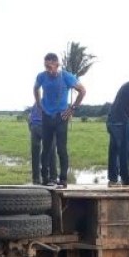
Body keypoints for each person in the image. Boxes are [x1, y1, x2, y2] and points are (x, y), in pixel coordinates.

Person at [33, 53, 86, 188]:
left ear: (57, 64)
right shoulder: (41, 76)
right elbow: (35, 88)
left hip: (61, 117)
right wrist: (39, 104)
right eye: (46, 67)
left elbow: (82, 91)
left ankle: (63, 179)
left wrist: (72, 108)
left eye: (50, 67)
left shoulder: (66, 76)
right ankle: (45, 178)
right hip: (46, 116)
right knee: (46, 149)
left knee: (61, 149)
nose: (48, 70)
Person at [28, 103, 57, 185]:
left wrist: (31, 125)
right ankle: (52, 178)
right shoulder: (50, 101)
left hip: (34, 127)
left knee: (35, 154)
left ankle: (36, 179)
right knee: (51, 153)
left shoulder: (36, 103)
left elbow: (30, 116)